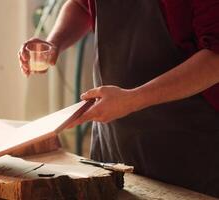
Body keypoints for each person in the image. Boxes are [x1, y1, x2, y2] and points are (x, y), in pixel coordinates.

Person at [18, 0, 219, 197]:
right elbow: (81, 6)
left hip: (186, 148)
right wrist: (54, 42)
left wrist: (132, 99)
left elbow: (215, 59)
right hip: (112, 140)